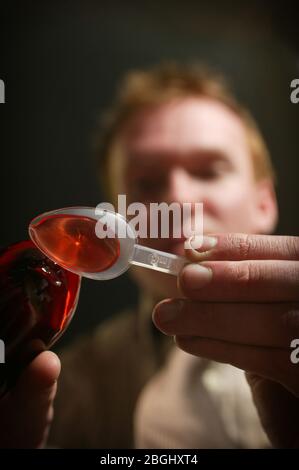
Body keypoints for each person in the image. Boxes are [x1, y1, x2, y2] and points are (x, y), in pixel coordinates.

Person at [1, 62, 298, 448]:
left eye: (208, 171)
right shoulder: (59, 392)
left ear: (264, 202)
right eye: (147, 182)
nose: (177, 199)